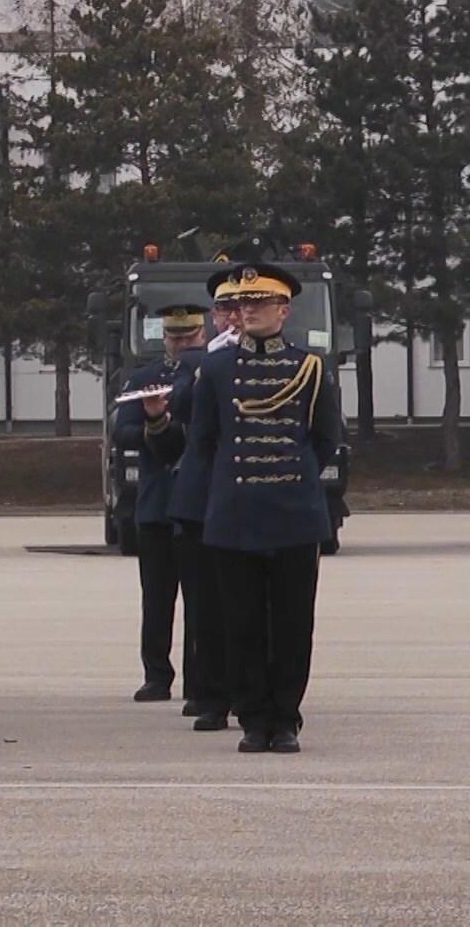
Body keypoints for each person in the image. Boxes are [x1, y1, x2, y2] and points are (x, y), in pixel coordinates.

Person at [184, 263, 341, 754]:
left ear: (283, 309)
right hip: (235, 511)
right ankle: (253, 718)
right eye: (239, 303)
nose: (245, 311)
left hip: (294, 512)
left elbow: (324, 439)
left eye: (257, 303)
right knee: (242, 620)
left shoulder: (309, 367)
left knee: (293, 622)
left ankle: (286, 717)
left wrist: (291, 482)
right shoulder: (213, 368)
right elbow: (204, 441)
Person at [150, 272, 237, 730]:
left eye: (238, 307)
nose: (232, 316)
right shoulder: (198, 361)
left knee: (253, 604)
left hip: (256, 494)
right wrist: (209, 362)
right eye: (223, 309)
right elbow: (181, 407)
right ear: (214, 316)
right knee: (205, 605)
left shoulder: (293, 362)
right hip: (203, 497)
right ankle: (210, 693)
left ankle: (255, 691)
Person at [115, 303, 209, 707]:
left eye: (188, 337)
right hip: (157, 502)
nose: (180, 344)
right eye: (173, 337)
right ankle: (156, 675)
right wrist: (159, 428)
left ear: (201, 335)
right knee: (156, 599)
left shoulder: (211, 374)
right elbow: (124, 431)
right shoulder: (145, 377)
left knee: (202, 600)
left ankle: (199, 681)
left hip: (197, 504)